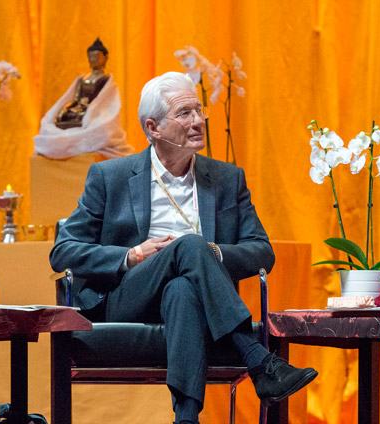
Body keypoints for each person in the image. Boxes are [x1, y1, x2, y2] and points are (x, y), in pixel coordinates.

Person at [50, 71, 318, 424]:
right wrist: (132, 255)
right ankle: (258, 359)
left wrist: (213, 253)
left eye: (199, 110)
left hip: (194, 301)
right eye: (184, 113)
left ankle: (187, 418)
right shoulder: (110, 176)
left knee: (182, 286)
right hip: (127, 296)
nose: (198, 121)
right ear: (153, 128)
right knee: (189, 246)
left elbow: (262, 250)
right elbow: (63, 250)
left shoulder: (226, 179)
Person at [34, 38, 133, 158]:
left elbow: (105, 101)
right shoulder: (83, 79)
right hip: (80, 107)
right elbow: (77, 97)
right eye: (91, 57)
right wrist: (70, 106)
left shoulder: (106, 80)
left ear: (105, 58)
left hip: (96, 110)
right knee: (64, 115)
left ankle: (88, 134)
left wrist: (91, 110)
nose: (93, 60)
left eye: (96, 57)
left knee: (93, 122)